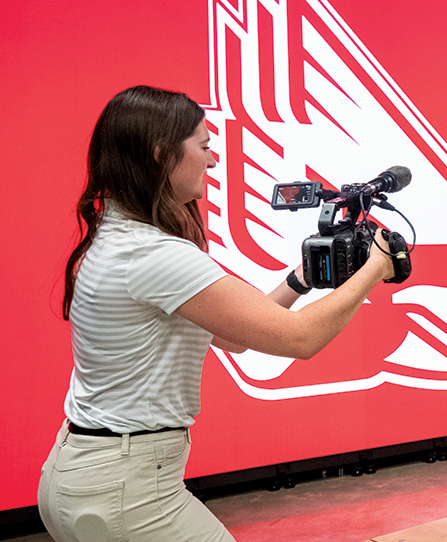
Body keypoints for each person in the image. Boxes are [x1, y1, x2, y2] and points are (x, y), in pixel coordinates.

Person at [40, 85, 399, 542]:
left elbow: (235, 337)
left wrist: (301, 279)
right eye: (204, 146)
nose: (213, 160)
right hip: (125, 489)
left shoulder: (119, 236)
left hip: (88, 473)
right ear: (160, 155)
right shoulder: (154, 254)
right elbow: (301, 338)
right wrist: (375, 267)